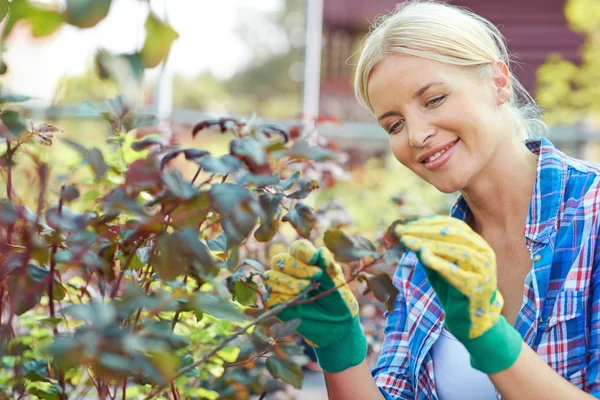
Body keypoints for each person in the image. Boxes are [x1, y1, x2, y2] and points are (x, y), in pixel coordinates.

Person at [264, 1, 600, 399]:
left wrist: (492, 343)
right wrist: (339, 348)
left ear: (498, 81)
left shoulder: (590, 218)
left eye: (434, 99)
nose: (416, 136)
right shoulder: (427, 262)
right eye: (394, 124)